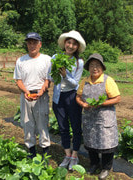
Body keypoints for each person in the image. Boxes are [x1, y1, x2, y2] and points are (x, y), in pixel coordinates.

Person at [76, 53, 121, 179]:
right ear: (88, 68)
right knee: (91, 141)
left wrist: (102, 103)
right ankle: (94, 164)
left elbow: (117, 98)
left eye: (97, 65)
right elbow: (78, 97)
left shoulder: (108, 80)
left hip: (104, 117)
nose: (94, 68)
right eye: (91, 65)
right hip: (89, 118)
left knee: (106, 143)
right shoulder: (85, 81)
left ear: (102, 67)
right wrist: (82, 104)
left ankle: (106, 167)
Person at [50, 30, 86, 170]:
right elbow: (51, 78)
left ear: (77, 47)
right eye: (68, 42)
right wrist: (56, 72)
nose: (70, 46)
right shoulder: (55, 57)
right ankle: (67, 154)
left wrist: (65, 75)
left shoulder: (79, 62)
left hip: (72, 97)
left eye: (74, 44)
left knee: (76, 127)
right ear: (64, 43)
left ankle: (75, 155)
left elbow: (76, 84)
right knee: (63, 127)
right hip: (58, 97)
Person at [13, 32, 51, 158]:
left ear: (40, 44)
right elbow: (18, 80)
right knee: (27, 123)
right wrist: (25, 92)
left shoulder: (47, 59)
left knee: (42, 122)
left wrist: (41, 91)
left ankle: (45, 150)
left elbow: (48, 79)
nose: (32, 45)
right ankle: (31, 150)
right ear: (27, 44)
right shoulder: (21, 60)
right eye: (29, 42)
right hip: (26, 95)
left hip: (41, 95)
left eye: (35, 42)